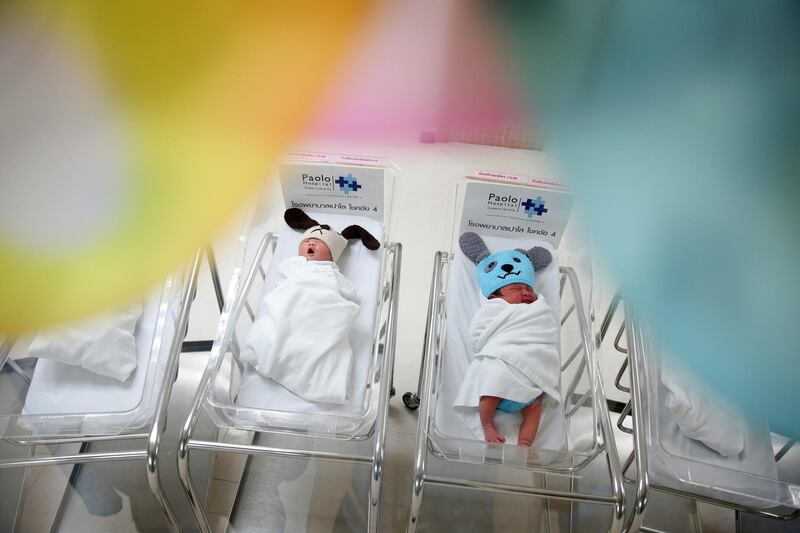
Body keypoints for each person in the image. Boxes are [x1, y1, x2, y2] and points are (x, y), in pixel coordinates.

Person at [454, 232, 560, 446]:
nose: (525, 293)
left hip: (532, 370)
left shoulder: (539, 309)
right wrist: (492, 347)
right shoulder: (494, 309)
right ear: (495, 296)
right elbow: (479, 333)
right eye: (515, 289)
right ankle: (487, 426)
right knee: (490, 389)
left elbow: (548, 330)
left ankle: (525, 443)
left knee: (535, 407)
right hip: (503, 362)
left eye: (528, 288)